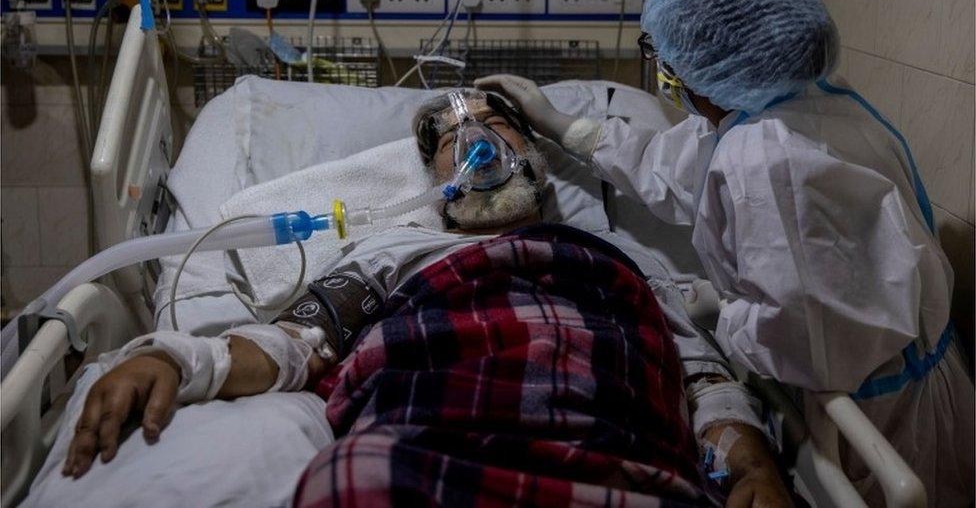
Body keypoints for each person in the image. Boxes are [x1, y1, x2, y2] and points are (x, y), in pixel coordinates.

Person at [61, 90, 793, 507]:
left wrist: (753, 467)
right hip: (418, 451)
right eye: (449, 136)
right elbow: (292, 343)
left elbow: (703, 381)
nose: (472, 135)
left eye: (495, 122)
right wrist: (173, 360)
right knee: (354, 480)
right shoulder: (393, 251)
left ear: (534, 152)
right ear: (435, 178)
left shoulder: (618, 259)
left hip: (616, 455)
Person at [476, 0, 975, 506]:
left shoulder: (768, 160)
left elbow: (803, 342)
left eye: (660, 52)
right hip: (891, 382)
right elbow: (677, 168)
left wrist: (722, 311)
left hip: (887, 420)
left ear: (704, 64)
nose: (660, 64)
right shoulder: (790, 104)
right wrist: (570, 128)